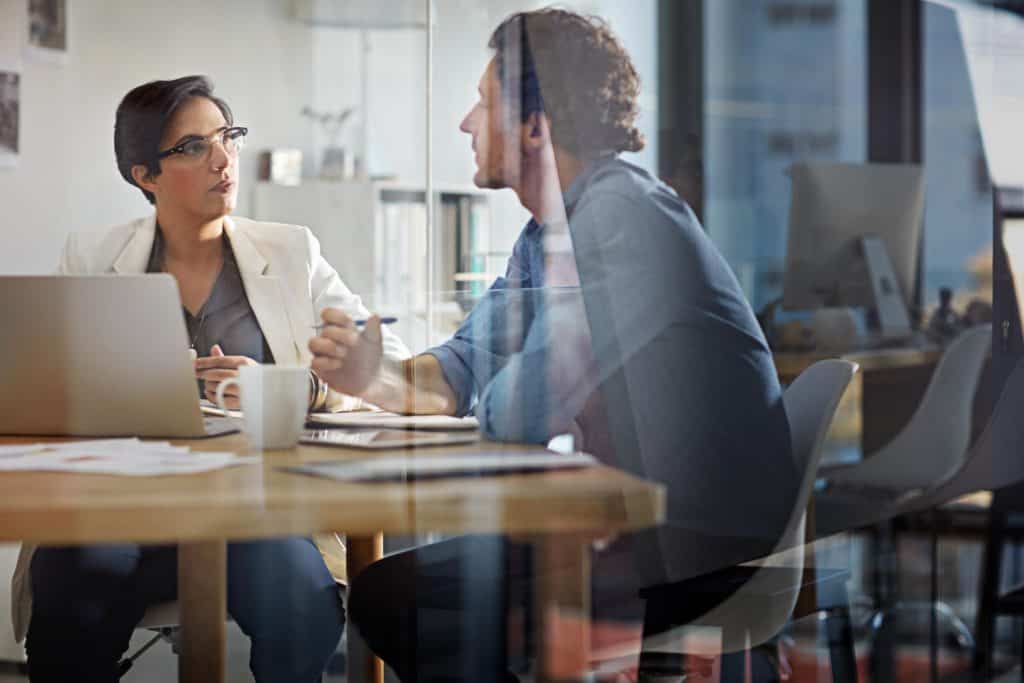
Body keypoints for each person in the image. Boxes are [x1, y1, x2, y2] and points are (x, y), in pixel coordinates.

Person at [309, 9, 796, 681]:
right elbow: (459, 368)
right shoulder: (544, 236)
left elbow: (523, 411)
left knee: (403, 598)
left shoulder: (624, 218)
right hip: (625, 531)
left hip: (700, 549)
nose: (465, 123)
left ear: (537, 124)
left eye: (484, 103)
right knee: (394, 591)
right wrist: (373, 375)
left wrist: (497, 379)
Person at [12, 75, 410, 683]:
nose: (224, 160)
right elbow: (50, 389)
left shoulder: (293, 253)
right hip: (124, 508)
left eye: (228, 137)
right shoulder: (92, 257)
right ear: (145, 175)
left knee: (301, 600)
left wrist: (293, 386)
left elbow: (391, 367)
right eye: (194, 147)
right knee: (74, 584)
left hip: (253, 510)